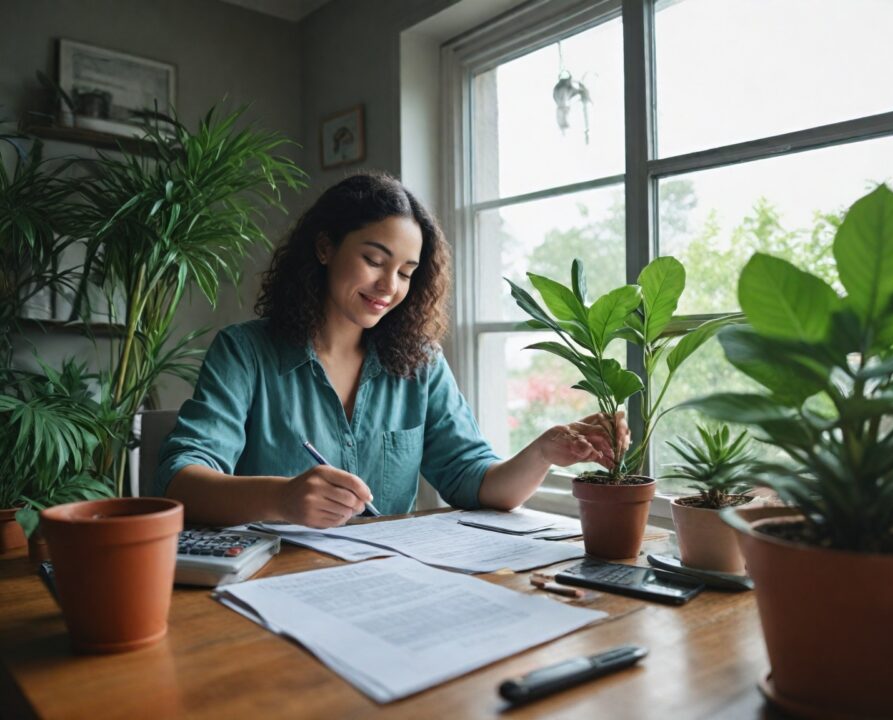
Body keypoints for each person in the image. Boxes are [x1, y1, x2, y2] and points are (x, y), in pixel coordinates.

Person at [156, 173, 629, 528]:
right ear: (325, 248)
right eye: (374, 260)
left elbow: (476, 482)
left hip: (384, 585)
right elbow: (180, 482)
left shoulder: (420, 364)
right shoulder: (244, 353)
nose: (389, 286)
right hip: (265, 584)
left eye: (406, 272)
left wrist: (544, 450)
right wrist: (283, 498)